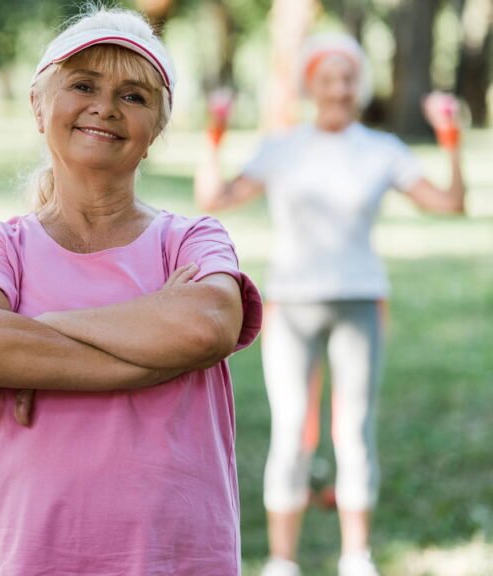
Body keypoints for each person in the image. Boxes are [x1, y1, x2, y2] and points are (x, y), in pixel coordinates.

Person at [0, 7, 262, 575]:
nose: (105, 106)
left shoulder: (190, 239)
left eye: (134, 96)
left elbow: (206, 327)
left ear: (157, 127)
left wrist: (41, 333)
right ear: (39, 106)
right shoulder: (1, 246)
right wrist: (152, 344)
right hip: (27, 553)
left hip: (169, 554)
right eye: (83, 85)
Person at [194, 33, 467, 576]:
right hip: (292, 304)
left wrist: (452, 138)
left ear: (358, 86)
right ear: (310, 85)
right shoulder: (283, 147)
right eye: (328, 78)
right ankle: (282, 560)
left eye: (348, 78)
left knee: (355, 429)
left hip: (360, 300)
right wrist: (214, 133)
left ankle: (356, 557)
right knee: (292, 428)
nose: (339, 89)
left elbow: (451, 205)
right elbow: (214, 199)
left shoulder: (381, 149)